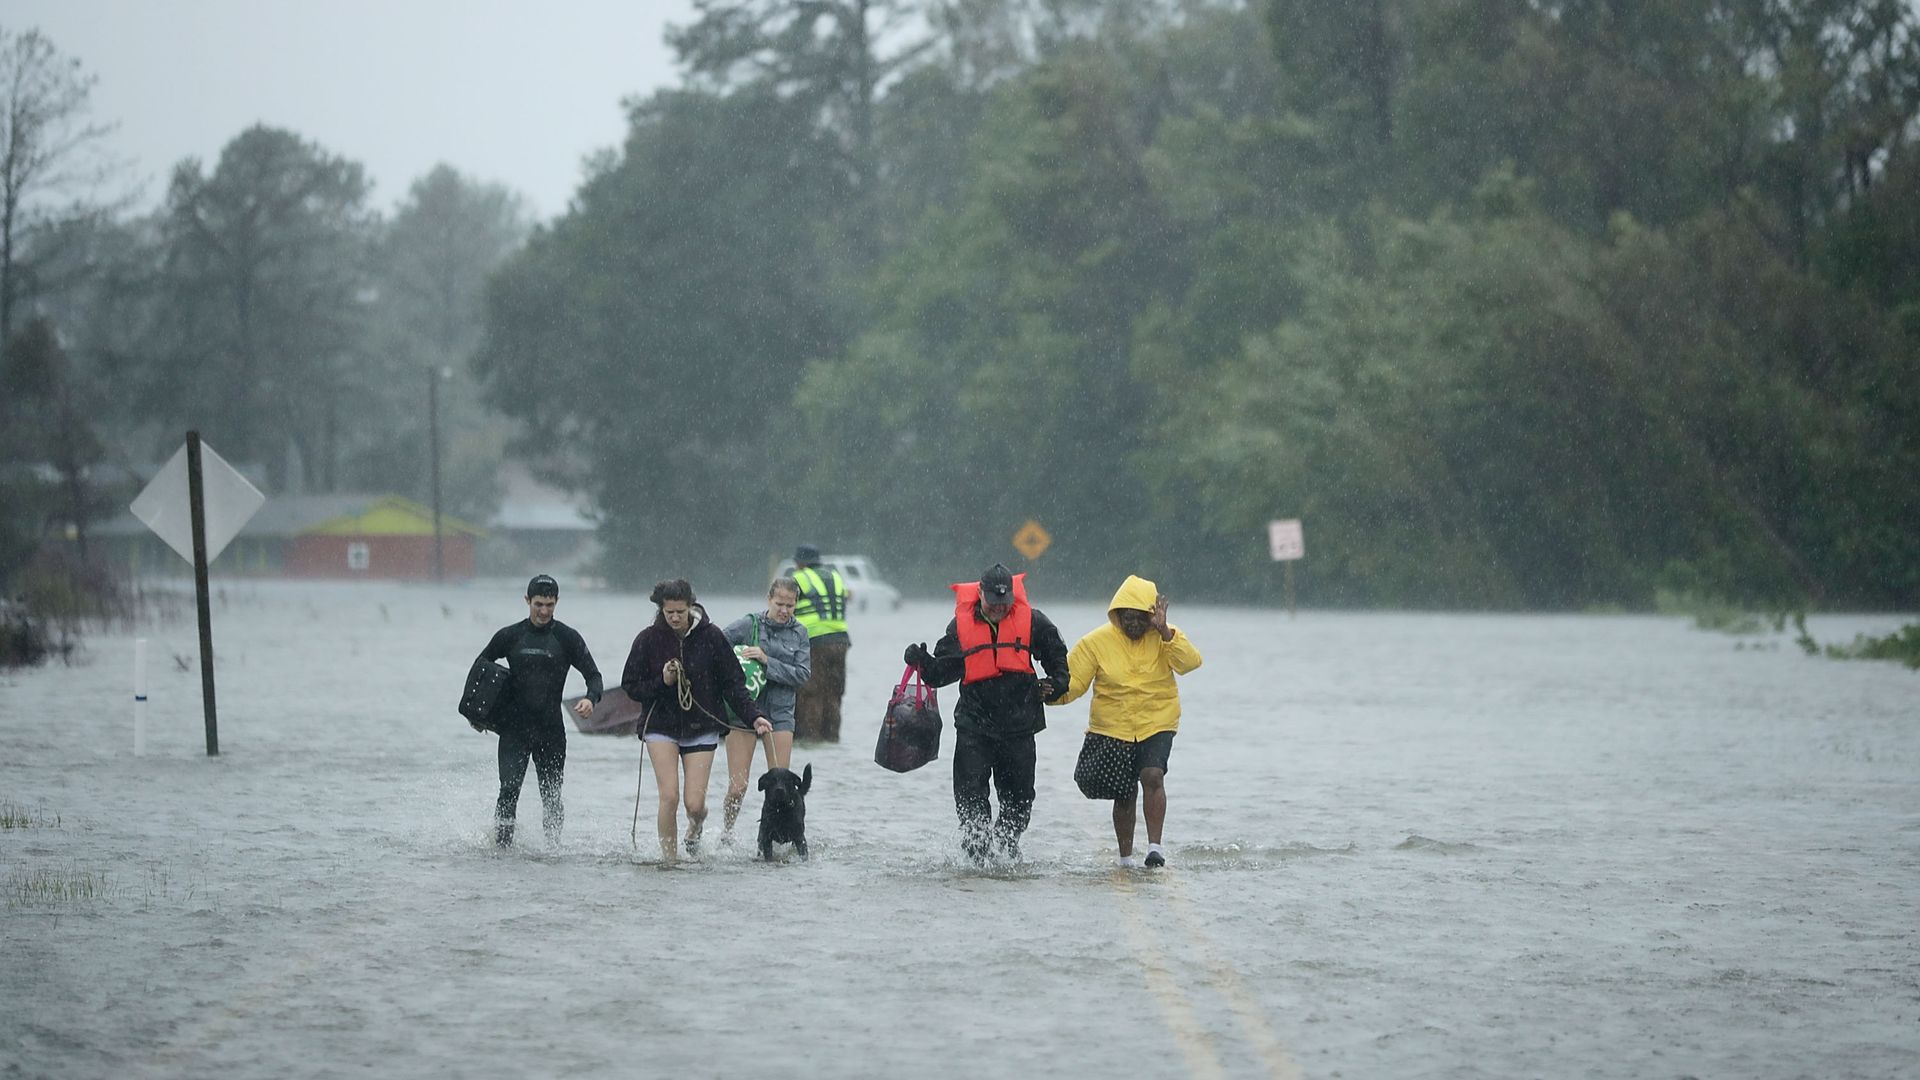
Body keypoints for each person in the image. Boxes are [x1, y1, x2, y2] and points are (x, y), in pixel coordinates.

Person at [904, 563, 1070, 864]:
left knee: (1018, 801)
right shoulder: (960, 627)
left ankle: (1006, 848)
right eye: (993, 603)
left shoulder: (1034, 622)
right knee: (970, 799)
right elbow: (942, 673)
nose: (998, 610)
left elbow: (1058, 660)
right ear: (980, 594)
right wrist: (922, 662)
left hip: (1019, 728)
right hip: (974, 727)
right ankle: (977, 855)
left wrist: (1055, 685)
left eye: (1004, 605)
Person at [1049, 575, 1202, 868]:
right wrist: (1046, 694)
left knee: (1153, 775)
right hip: (1113, 726)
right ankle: (1125, 859)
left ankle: (1155, 849)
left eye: (1140, 618)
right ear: (1117, 615)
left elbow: (1190, 663)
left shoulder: (1165, 636)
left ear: (1151, 615)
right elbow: (1073, 683)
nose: (1133, 624)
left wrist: (1166, 633)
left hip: (1157, 721)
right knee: (1124, 791)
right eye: (1127, 618)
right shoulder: (1095, 642)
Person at [621, 579, 771, 861]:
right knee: (669, 796)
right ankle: (671, 860)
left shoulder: (712, 636)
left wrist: (755, 717)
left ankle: (696, 824)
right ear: (661, 610)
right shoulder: (647, 639)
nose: (675, 618)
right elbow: (630, 685)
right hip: (660, 727)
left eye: (680, 611)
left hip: (701, 727)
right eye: (669, 613)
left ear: (691, 607)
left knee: (693, 803)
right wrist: (662, 681)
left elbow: (733, 684)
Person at [473, 574, 602, 848]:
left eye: (550, 605)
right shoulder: (510, 636)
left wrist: (591, 699)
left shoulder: (567, 638)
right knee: (508, 791)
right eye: (539, 604)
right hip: (514, 730)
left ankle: (553, 850)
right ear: (527, 601)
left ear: (557, 603)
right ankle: (501, 850)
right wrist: (479, 714)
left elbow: (594, 676)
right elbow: (481, 667)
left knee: (552, 796)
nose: (544, 611)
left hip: (551, 731)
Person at [720, 577, 811, 840]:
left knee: (781, 788)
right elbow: (716, 645)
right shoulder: (749, 624)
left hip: (781, 714)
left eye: (790, 606)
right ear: (768, 599)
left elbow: (803, 674)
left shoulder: (800, 633)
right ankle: (727, 834)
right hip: (744, 712)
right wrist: (734, 669)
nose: (784, 611)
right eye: (779, 604)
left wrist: (766, 660)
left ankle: (778, 837)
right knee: (738, 787)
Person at [790, 544, 851, 741]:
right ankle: (831, 739)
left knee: (810, 693)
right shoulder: (834, 576)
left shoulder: (799, 578)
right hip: (840, 641)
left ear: (800, 563)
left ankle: (811, 740)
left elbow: (785, 605)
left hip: (814, 641)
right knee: (833, 693)